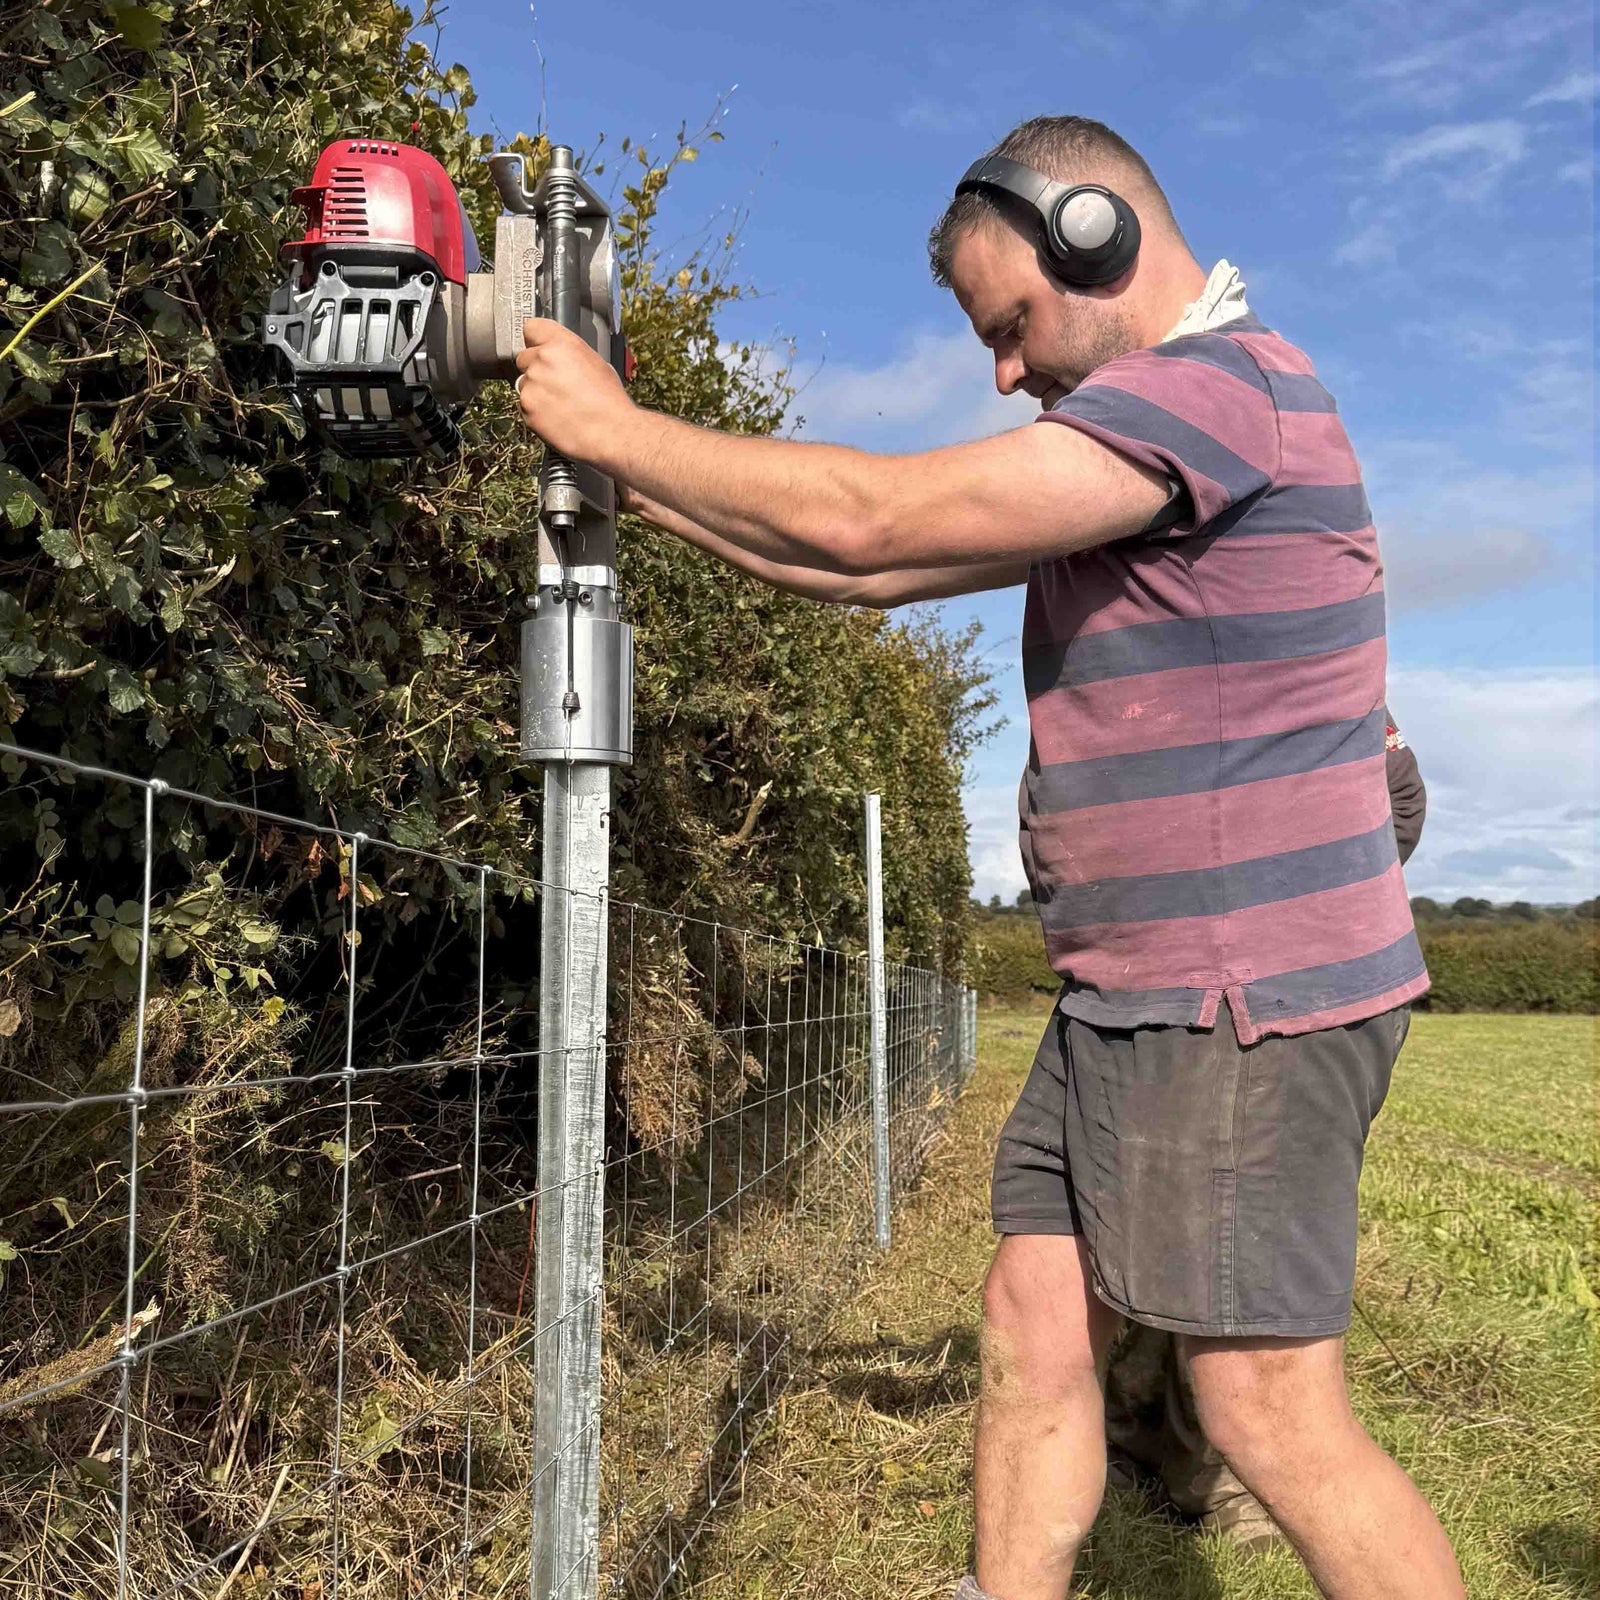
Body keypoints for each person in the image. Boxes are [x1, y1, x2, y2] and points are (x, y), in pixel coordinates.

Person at [513, 114, 1463, 1600]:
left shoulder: (1219, 397)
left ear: (1101, 237)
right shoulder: (1138, 449)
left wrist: (616, 427)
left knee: (1268, 1405)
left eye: (1010, 326)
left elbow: (879, 510)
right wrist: (630, 480)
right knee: (1033, 1315)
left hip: (1238, 1002)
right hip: (1126, 995)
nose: (1005, 372)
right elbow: (861, 570)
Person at [1101, 715, 1427, 1553]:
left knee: (1238, 1248)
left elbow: (1398, 805)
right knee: (1168, 1220)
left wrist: (1274, 918)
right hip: (1189, 984)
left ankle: (1222, 1476)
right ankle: (1147, 1431)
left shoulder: (1327, 699)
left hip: (1280, 994)